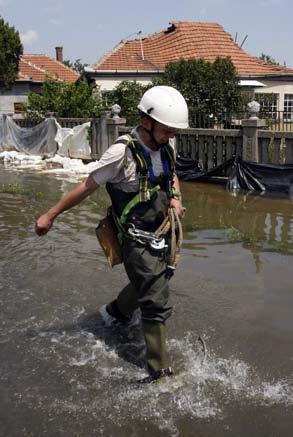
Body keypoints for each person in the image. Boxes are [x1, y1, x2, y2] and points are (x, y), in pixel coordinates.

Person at [35, 85, 188, 383]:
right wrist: (50, 215)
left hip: (162, 231)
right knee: (156, 297)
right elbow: (86, 186)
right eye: (167, 130)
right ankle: (160, 371)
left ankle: (116, 313)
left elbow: (172, 175)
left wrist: (176, 198)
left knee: (159, 276)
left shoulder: (166, 146)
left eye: (173, 131)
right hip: (134, 239)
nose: (171, 135)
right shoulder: (122, 152)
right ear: (147, 122)